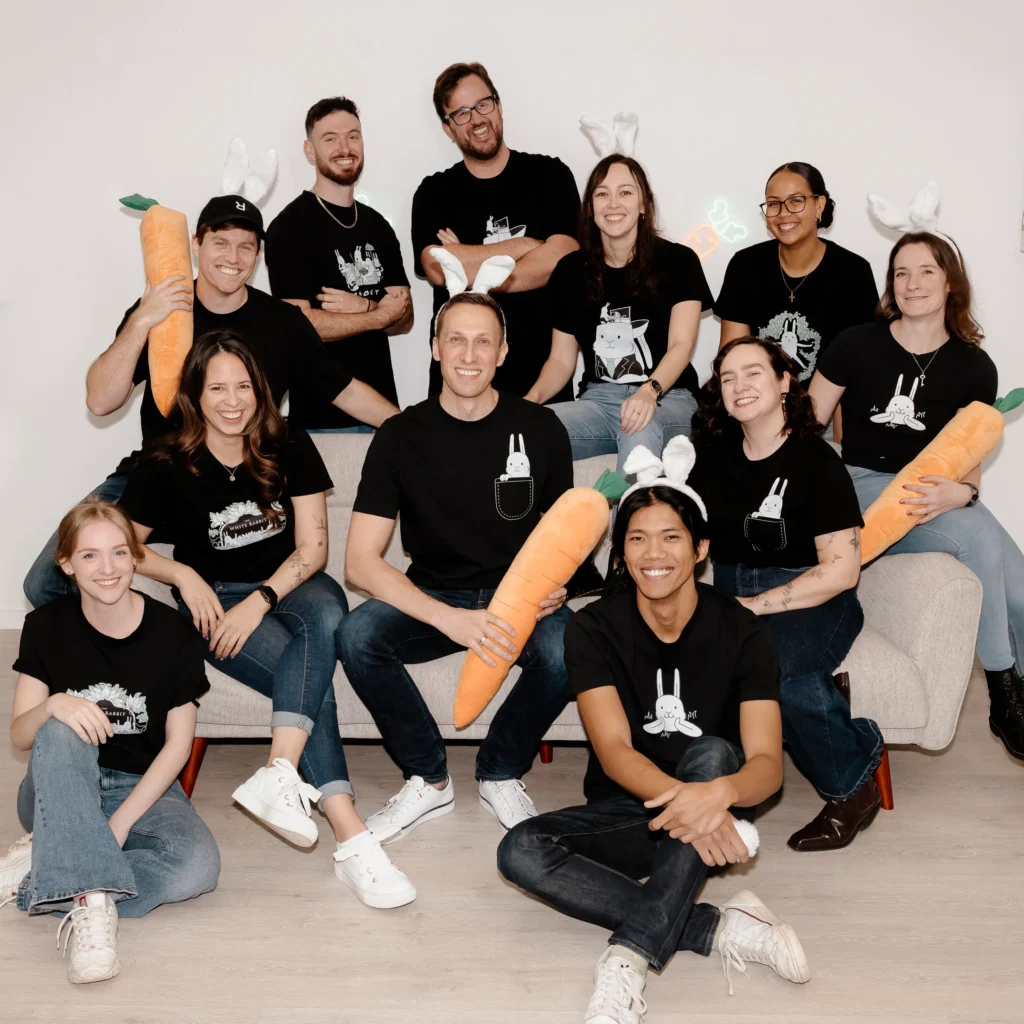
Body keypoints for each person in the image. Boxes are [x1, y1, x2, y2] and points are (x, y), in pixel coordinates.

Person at [497, 456, 810, 1023]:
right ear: (620, 555)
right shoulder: (592, 628)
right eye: (637, 539)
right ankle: (716, 927)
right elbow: (615, 751)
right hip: (636, 808)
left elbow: (767, 766)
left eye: (671, 537)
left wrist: (712, 797)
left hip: (712, 799)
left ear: (700, 549)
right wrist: (693, 808)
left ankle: (626, 960)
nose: (654, 554)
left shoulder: (744, 631)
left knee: (713, 753)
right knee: (519, 849)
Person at [119, 331, 416, 908]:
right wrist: (183, 576)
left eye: (243, 387)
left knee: (329, 609)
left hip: (289, 584)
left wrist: (260, 598)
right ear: (194, 396)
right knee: (311, 678)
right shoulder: (165, 462)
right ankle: (352, 837)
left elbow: (312, 550)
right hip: (213, 602)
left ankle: (279, 770)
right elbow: (127, 547)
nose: (233, 401)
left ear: (260, 390)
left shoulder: (289, 444)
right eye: (217, 388)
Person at [23, 193, 399, 610]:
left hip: (238, 489)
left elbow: (344, 389)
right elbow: (100, 401)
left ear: (258, 255)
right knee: (47, 581)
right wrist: (144, 318)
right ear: (196, 245)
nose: (233, 257)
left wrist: (412, 427)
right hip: (156, 480)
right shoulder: (163, 314)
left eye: (246, 246)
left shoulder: (282, 323)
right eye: (220, 241)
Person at [337, 289, 574, 839]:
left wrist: (558, 586)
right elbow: (359, 564)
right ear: (436, 348)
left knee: (568, 650)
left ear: (503, 352)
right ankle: (428, 778)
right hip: (434, 596)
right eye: (457, 340)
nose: (470, 354)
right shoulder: (400, 435)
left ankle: (499, 773)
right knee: (356, 636)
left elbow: (567, 538)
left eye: (483, 342)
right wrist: (448, 618)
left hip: (519, 598)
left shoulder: (541, 429)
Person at [809, 232, 1024, 760]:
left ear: (949, 281)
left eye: (926, 271)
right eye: (901, 273)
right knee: (976, 534)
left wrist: (965, 490)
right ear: (890, 285)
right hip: (862, 488)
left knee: (1018, 583)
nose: (913, 283)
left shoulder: (975, 365)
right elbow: (807, 422)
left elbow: (969, 447)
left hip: (933, 487)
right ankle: (1002, 690)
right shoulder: (856, 342)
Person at [2, 499, 219, 985]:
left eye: (120, 553)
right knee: (59, 729)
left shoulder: (175, 634)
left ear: (136, 557)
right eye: (90, 556)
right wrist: (53, 704)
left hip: (141, 784)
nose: (107, 569)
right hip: (58, 782)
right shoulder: (45, 626)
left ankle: (50, 875)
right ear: (66, 563)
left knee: (197, 867)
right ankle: (91, 910)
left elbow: (178, 747)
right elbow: (20, 735)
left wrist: (118, 823)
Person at [689, 337, 883, 850]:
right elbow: (685, 536)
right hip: (733, 589)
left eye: (753, 373)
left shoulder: (817, 461)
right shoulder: (712, 458)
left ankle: (852, 786)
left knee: (786, 676)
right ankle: (728, 787)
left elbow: (841, 571)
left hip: (817, 598)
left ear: (783, 383)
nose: (739, 386)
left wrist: (752, 607)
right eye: (728, 378)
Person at [527, 155, 713, 472]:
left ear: (643, 204)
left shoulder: (679, 261)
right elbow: (560, 360)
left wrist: (648, 392)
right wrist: (528, 405)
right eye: (602, 193)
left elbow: (681, 345)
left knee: (639, 428)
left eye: (625, 192)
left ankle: (629, 519)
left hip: (668, 398)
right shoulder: (570, 271)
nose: (613, 203)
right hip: (598, 401)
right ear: (590, 207)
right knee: (527, 431)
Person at [412, 61, 580, 399]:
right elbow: (436, 266)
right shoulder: (434, 192)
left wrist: (468, 265)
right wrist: (525, 246)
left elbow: (562, 257)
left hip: (542, 385)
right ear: (447, 128)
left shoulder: (550, 176)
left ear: (499, 105)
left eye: (482, 104)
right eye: (460, 113)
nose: (476, 119)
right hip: (459, 388)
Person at [265, 96, 414, 430]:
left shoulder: (379, 226)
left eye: (353, 136)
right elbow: (300, 327)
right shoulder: (289, 227)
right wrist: (380, 314)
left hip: (385, 417)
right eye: (330, 138)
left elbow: (405, 318)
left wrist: (363, 308)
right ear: (309, 149)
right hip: (322, 422)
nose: (344, 147)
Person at [715, 162, 878, 388]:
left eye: (795, 201)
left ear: (819, 205)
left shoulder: (853, 271)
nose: (783, 213)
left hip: (827, 407)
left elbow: (860, 363)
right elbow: (731, 358)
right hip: (759, 402)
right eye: (774, 204)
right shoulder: (745, 265)